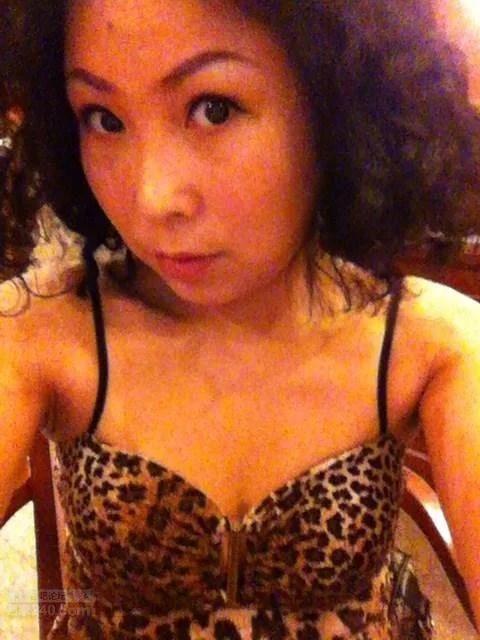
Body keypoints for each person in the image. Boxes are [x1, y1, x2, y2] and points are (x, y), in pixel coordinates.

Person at [1, 0, 480, 638]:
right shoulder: (42, 331)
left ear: (335, 105)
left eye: (213, 109)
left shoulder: (433, 342)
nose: (153, 197)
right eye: (104, 118)